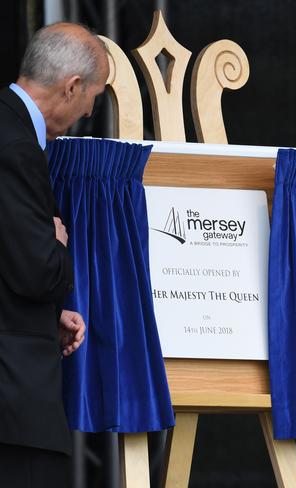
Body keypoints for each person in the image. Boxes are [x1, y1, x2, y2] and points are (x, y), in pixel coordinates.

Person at [0, 22, 108, 486]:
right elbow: (39, 272)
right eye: (94, 96)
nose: (89, 111)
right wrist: (58, 245)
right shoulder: (17, 144)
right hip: (14, 407)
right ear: (72, 86)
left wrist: (48, 315)